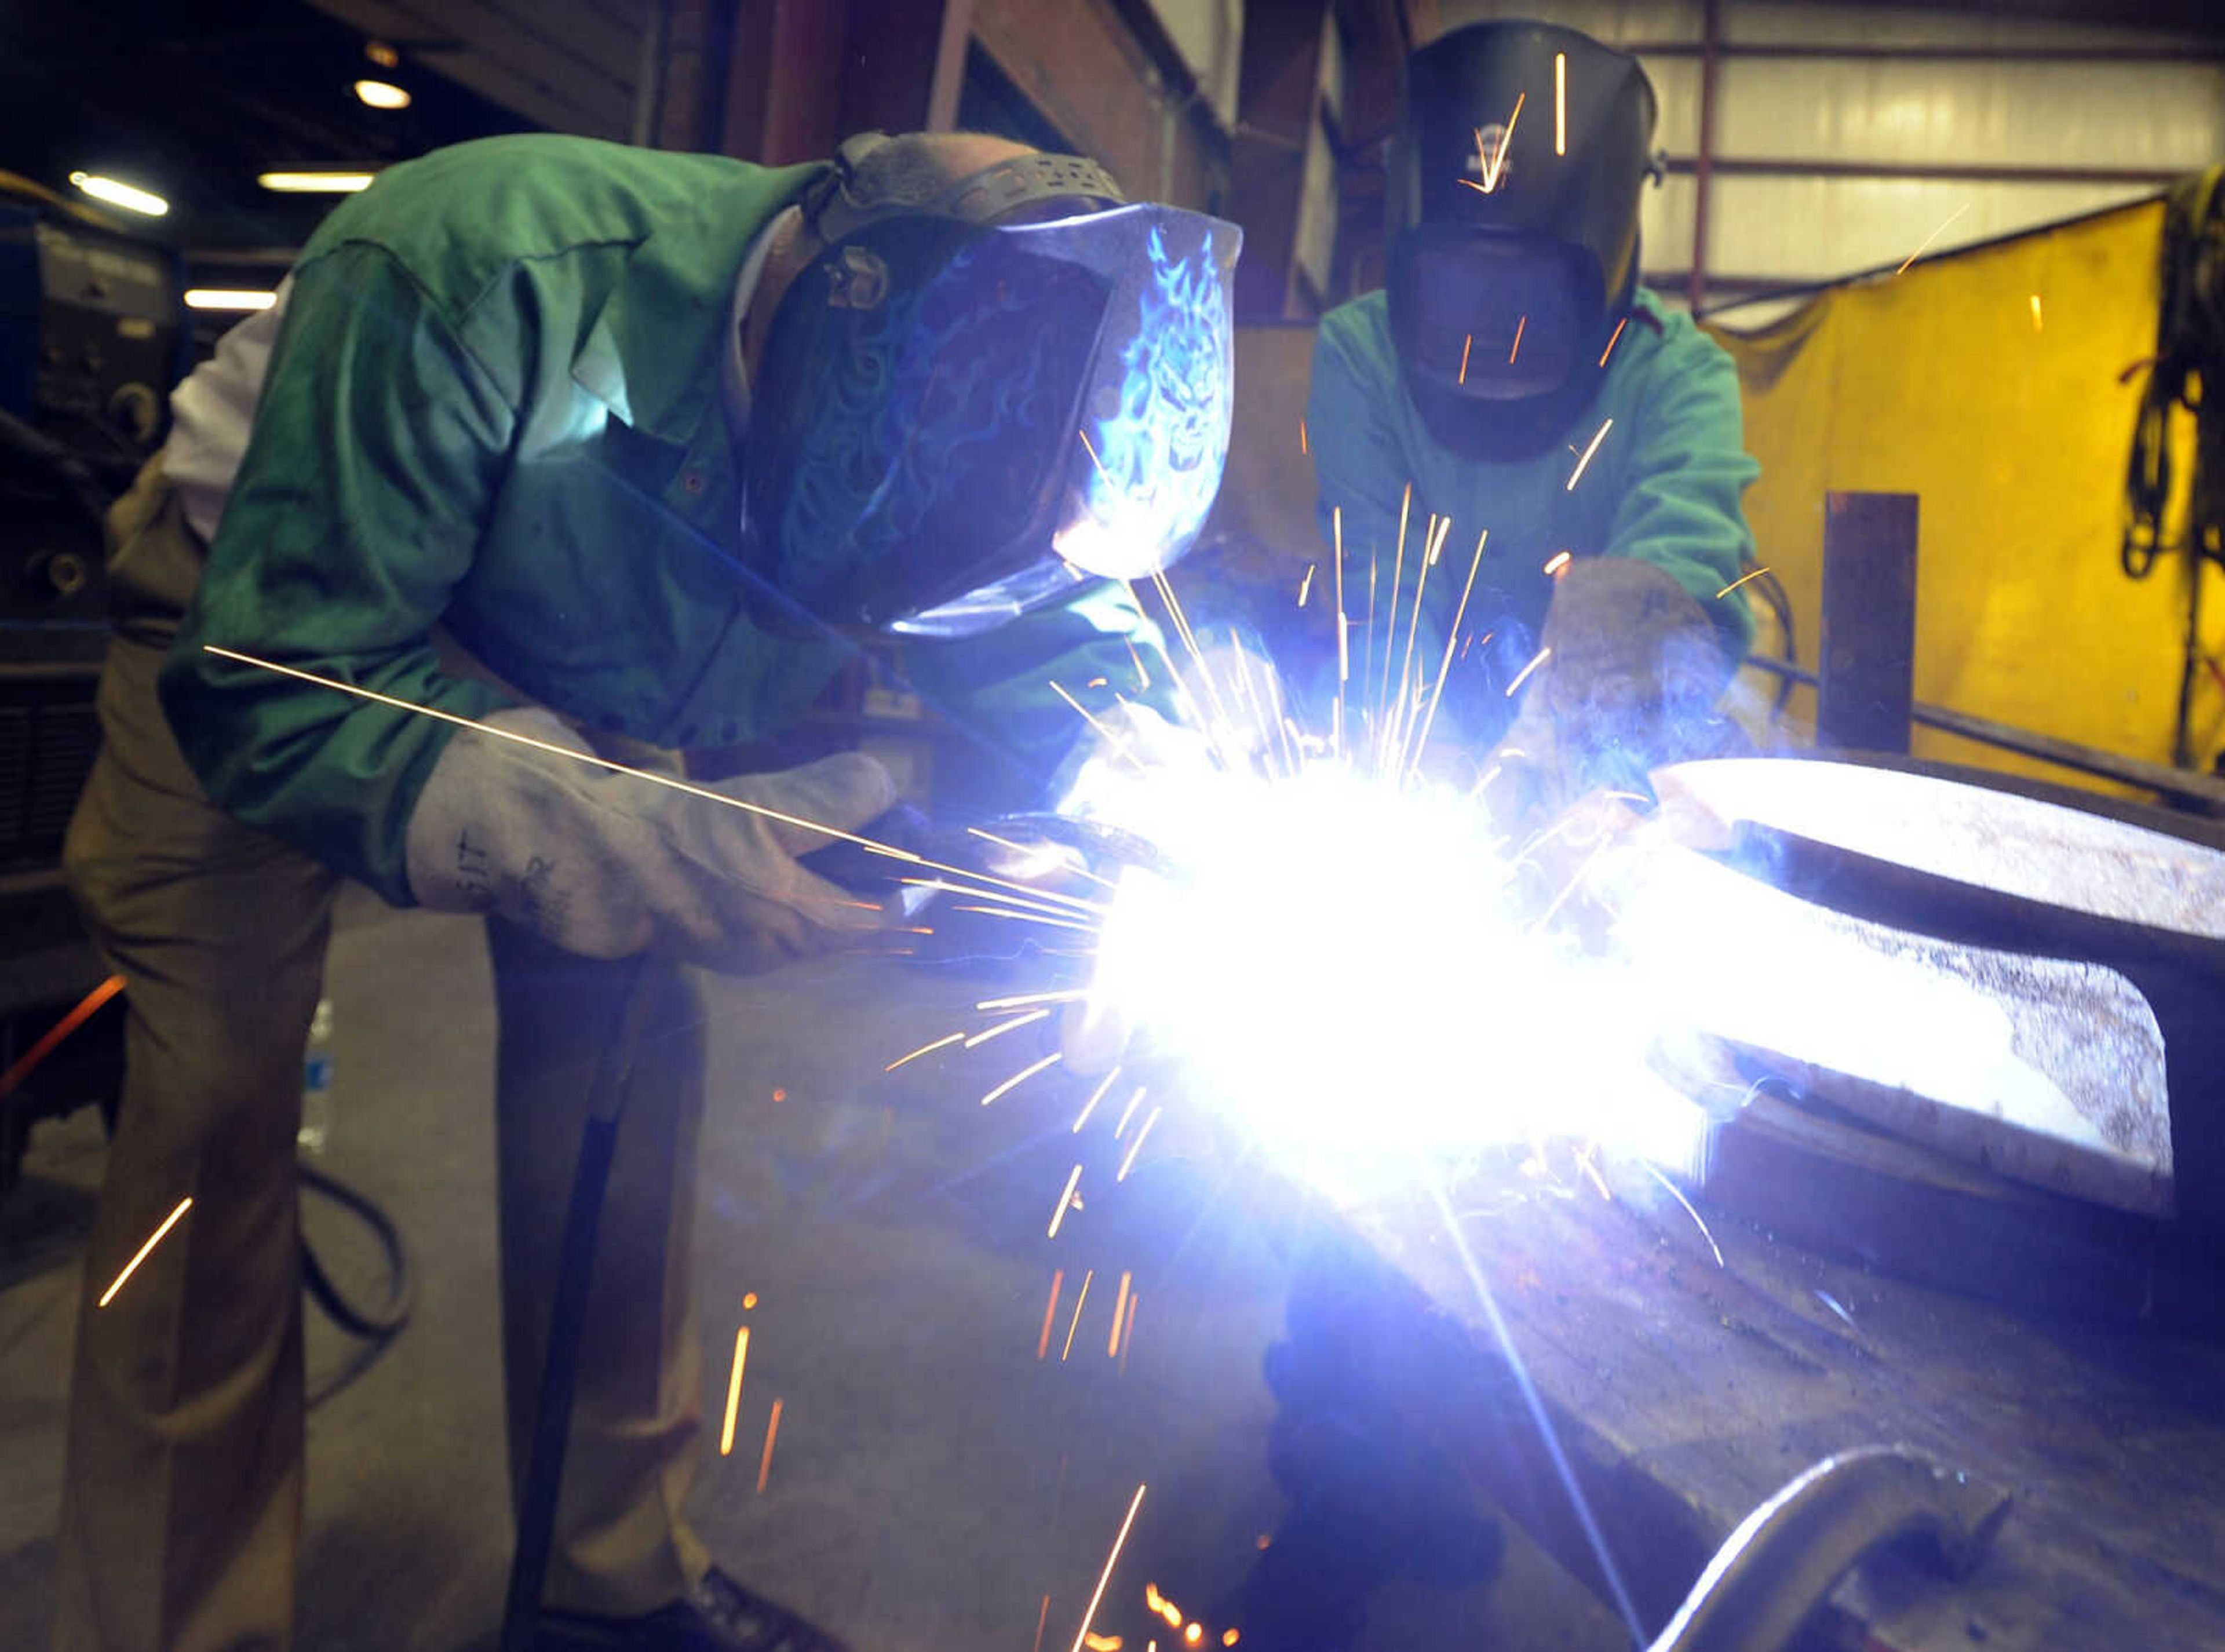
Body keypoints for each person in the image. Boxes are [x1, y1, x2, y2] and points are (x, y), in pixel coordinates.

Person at [55, 129, 1237, 1652]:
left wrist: (1164, 800)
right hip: (274, 611)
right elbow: (273, 680)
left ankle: (608, 1577)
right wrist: (612, 832)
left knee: (627, 1055)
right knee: (210, 1118)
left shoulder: (982, 435)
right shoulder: (475, 269)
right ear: (817, 373)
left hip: (584, 631)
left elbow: (1047, 637)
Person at [1306, 19, 1760, 812]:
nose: (1493, 330)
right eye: (1459, 285)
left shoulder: (1678, 376)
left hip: (1609, 763)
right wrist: (1416, 769)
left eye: (1530, 296)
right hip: (1429, 754)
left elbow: (1665, 585)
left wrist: (1561, 751)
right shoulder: (1361, 355)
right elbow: (1382, 594)